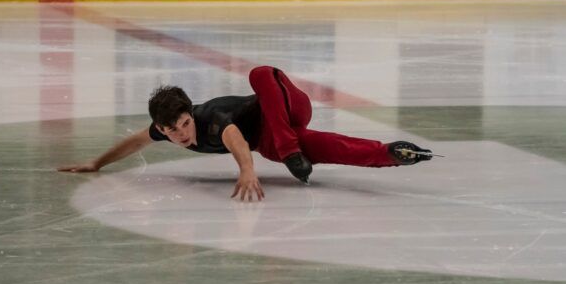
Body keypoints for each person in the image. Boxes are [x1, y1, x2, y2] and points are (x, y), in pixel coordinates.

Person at [58, 66, 434, 202]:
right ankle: (390, 153)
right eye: (172, 131)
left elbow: (234, 138)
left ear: (191, 114)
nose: (182, 134)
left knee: (261, 74)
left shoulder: (212, 118)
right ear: (162, 128)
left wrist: (247, 170)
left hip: (284, 107)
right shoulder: (162, 130)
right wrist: (98, 162)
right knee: (327, 147)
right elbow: (135, 141)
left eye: (185, 124)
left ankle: (289, 148)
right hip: (271, 143)